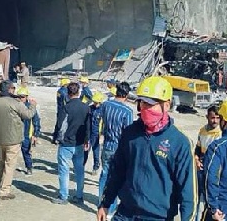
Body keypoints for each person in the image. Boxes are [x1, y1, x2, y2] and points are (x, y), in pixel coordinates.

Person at [97, 76, 196, 221]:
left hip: (157, 217)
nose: (145, 108)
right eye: (142, 102)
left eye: (151, 104)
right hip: (125, 213)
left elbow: (188, 191)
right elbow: (116, 171)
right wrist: (105, 203)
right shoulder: (130, 133)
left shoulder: (180, 142)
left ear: (166, 105)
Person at [0, 80, 37, 200]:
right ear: (10, 89)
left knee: (0, 162)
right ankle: (4, 191)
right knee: (9, 165)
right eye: (13, 88)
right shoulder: (15, 103)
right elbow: (28, 115)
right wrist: (33, 105)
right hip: (13, 139)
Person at [97, 81, 134, 217]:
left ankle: (101, 202)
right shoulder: (127, 112)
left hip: (107, 145)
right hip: (119, 148)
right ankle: (110, 207)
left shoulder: (106, 105)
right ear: (127, 94)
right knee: (117, 178)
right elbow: (128, 133)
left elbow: (100, 120)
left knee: (104, 174)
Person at [52, 82, 91, 205]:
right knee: (79, 170)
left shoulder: (66, 107)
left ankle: (64, 196)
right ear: (79, 92)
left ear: (68, 94)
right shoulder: (86, 107)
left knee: (64, 170)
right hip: (79, 143)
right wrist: (87, 140)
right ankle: (79, 196)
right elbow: (88, 126)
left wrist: (56, 138)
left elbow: (60, 125)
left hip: (67, 143)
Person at [194, 106, 222, 220]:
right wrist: (196, 159)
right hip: (201, 169)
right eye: (212, 118)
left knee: (210, 200)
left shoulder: (221, 133)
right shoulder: (202, 131)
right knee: (197, 199)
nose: (214, 120)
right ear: (207, 117)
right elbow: (198, 149)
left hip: (213, 172)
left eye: (217, 118)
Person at [16, 86, 41, 176]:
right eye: (19, 96)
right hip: (16, 134)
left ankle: (29, 167)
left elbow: (36, 121)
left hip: (27, 134)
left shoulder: (30, 107)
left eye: (22, 97)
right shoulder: (15, 106)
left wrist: (36, 134)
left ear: (26, 97)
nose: (20, 98)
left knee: (26, 152)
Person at [84, 91, 105, 175]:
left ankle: (96, 167)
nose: (95, 104)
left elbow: (104, 123)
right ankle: (82, 166)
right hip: (89, 133)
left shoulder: (103, 110)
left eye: (97, 103)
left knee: (96, 152)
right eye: (94, 102)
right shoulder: (90, 108)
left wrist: (102, 134)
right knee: (85, 151)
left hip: (97, 135)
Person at [53, 78, 71, 144]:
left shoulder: (59, 90)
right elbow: (67, 101)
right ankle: (58, 139)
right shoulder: (65, 92)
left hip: (60, 109)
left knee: (58, 124)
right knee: (62, 125)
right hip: (64, 110)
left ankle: (54, 137)